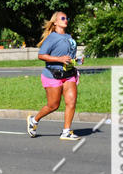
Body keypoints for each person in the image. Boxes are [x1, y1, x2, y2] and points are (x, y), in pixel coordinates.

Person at [27, 11, 82, 141]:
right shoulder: (52, 37)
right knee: (53, 105)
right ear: (55, 22)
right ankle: (34, 120)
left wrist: (77, 60)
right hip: (53, 75)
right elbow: (41, 55)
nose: (66, 20)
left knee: (71, 101)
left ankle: (66, 131)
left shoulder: (69, 36)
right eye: (62, 18)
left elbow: (68, 56)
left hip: (69, 74)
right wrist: (59, 59)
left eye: (67, 18)